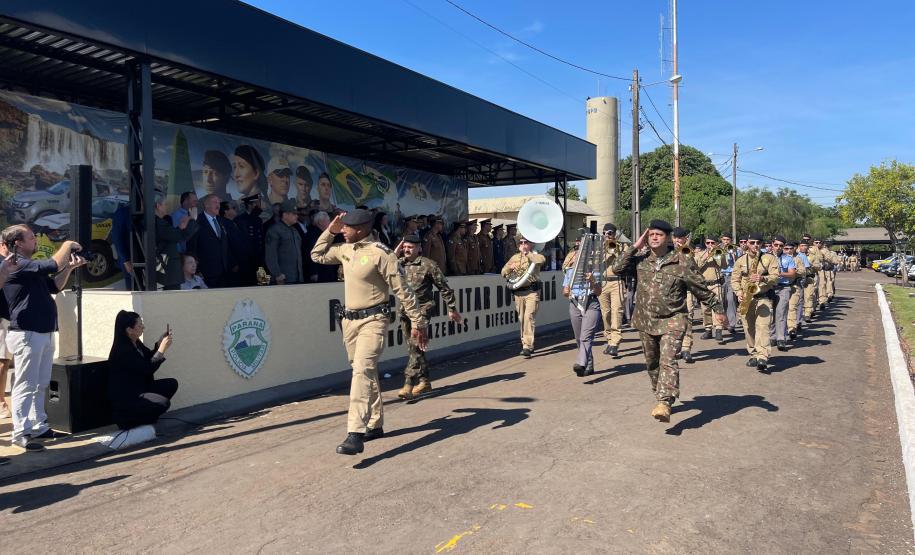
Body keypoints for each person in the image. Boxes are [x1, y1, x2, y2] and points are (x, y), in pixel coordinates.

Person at [311, 209, 428, 456]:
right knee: (363, 370)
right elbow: (317, 255)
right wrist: (330, 230)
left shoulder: (382, 254)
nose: (342, 230)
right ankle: (375, 423)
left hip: (373, 320)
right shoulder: (345, 249)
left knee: (362, 371)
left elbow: (403, 290)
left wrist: (418, 322)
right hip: (349, 322)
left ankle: (355, 432)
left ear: (361, 229)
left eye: (346, 227)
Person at [612, 220, 726, 422]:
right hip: (646, 320)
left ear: (668, 238)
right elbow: (616, 269)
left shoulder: (682, 261)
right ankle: (660, 395)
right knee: (652, 363)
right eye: (651, 234)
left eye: (659, 234)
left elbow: (699, 288)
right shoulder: (640, 260)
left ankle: (665, 401)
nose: (654, 237)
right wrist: (635, 247)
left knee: (668, 360)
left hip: (673, 319)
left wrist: (717, 309)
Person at [1, 225, 85, 451]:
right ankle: (20, 433)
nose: (35, 240)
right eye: (30, 237)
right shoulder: (16, 263)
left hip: (43, 331)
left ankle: (38, 426)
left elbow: (54, 285)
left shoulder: (30, 267)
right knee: (25, 384)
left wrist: (69, 267)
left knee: (40, 383)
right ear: (17, 243)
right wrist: (67, 245)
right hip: (27, 332)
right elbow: (53, 264)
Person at [394, 234, 461, 399]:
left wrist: (451, 308)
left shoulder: (428, 265)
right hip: (405, 311)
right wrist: (397, 249)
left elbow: (444, 287)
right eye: (405, 247)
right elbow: (387, 260)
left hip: (423, 309)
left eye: (410, 247)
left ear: (419, 248)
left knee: (415, 344)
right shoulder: (399, 263)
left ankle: (408, 383)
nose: (406, 250)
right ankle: (424, 381)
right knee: (414, 348)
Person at [107, 311, 178, 430]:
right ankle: (132, 419)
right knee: (163, 403)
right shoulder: (122, 350)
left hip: (141, 388)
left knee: (171, 384)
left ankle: (145, 416)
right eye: (140, 325)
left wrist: (158, 345)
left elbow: (148, 358)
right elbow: (147, 369)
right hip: (129, 397)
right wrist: (161, 350)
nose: (143, 327)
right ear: (129, 330)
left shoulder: (136, 343)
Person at [731, 232, 779, 372]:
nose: (755, 245)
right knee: (749, 329)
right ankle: (753, 353)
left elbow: (775, 277)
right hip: (747, 298)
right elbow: (734, 280)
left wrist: (763, 279)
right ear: (747, 243)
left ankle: (762, 356)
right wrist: (739, 292)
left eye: (758, 243)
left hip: (763, 297)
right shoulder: (740, 261)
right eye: (752, 242)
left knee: (763, 327)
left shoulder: (769, 258)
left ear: (762, 244)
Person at [563, 235, 603, 377]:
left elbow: (598, 291)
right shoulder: (569, 271)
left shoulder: (596, 270)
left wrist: (592, 281)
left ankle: (581, 363)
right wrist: (566, 292)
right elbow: (565, 292)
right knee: (579, 337)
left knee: (586, 336)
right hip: (575, 303)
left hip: (590, 303)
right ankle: (588, 364)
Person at [501, 234, 546, 358]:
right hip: (519, 292)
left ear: (531, 244)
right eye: (521, 243)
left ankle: (527, 346)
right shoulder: (514, 257)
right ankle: (524, 343)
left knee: (529, 317)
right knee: (522, 318)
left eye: (525, 242)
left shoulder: (535, 256)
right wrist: (510, 268)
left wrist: (528, 254)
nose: (523, 245)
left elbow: (541, 261)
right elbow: (503, 272)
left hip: (532, 291)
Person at [155, 193, 198, 290]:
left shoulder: (158, 222)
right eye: (165, 204)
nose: (167, 207)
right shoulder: (158, 223)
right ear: (158, 206)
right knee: (170, 297)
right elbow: (180, 237)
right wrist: (192, 219)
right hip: (166, 268)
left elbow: (170, 236)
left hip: (163, 266)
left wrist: (179, 228)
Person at [189, 194, 233, 288]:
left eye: (218, 203)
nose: (218, 205)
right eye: (214, 202)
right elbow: (192, 247)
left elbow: (226, 245)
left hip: (225, 273)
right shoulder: (197, 222)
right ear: (206, 205)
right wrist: (197, 271)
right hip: (206, 274)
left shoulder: (222, 221)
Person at [598, 223, 625, 357]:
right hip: (603, 283)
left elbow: (625, 259)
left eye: (609, 233)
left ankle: (615, 342)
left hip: (616, 282)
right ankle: (609, 339)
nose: (606, 235)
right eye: (604, 233)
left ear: (614, 234)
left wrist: (615, 249)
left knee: (616, 312)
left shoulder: (621, 246)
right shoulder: (599, 247)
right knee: (605, 313)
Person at [671, 228, 697, 363]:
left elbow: (693, 268)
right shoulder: (667, 251)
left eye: (679, 238)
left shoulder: (689, 251)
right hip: (671, 290)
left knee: (688, 318)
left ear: (684, 239)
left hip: (686, 289)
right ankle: (676, 348)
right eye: (675, 238)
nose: (677, 240)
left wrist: (686, 253)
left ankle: (686, 348)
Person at [265, 199, 303, 285]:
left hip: (297, 277)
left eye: (297, 214)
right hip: (283, 278)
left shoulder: (295, 230)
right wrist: (277, 274)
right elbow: (270, 254)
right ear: (285, 215)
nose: (297, 216)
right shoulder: (274, 230)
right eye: (294, 214)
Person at [769, 235, 797, 352]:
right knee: (770, 313)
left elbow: (792, 274)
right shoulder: (766, 257)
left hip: (783, 288)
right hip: (769, 287)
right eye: (776, 245)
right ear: (772, 245)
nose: (778, 247)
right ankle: (772, 336)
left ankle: (781, 338)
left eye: (781, 246)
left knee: (781, 313)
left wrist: (780, 273)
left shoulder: (788, 258)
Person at [696, 236, 726, 344]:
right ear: (705, 243)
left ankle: (718, 329)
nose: (710, 245)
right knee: (705, 309)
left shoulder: (718, 253)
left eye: (712, 243)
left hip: (716, 283)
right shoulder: (700, 254)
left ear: (717, 243)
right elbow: (695, 267)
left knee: (717, 306)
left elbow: (724, 265)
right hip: (704, 285)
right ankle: (708, 329)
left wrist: (718, 255)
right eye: (708, 243)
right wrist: (706, 257)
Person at [235, 194, 266, 286]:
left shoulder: (258, 219)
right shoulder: (241, 220)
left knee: (263, 283)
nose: (259, 206)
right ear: (250, 205)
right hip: (248, 260)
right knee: (249, 284)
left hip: (260, 259)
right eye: (256, 203)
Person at [303, 211, 340, 283]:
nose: (330, 223)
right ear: (321, 222)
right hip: (320, 271)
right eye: (328, 221)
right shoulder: (312, 235)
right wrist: (314, 272)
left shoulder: (325, 233)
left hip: (328, 268)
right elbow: (310, 254)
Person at [233, 145, 268, 218]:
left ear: (256, 173)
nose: (236, 174)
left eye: (241, 166)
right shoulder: (239, 203)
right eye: (234, 167)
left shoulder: (263, 207)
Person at [785, 241, 809, 340]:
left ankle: (791, 328)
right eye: (786, 248)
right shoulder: (779, 258)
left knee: (792, 307)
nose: (789, 250)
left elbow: (803, 271)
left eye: (791, 248)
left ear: (795, 248)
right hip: (781, 287)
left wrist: (793, 271)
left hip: (794, 286)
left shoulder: (798, 259)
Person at [718, 232, 738, 335]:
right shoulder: (718, 249)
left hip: (731, 276)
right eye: (724, 239)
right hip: (721, 277)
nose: (726, 242)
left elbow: (737, 262)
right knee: (722, 300)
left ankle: (732, 324)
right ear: (721, 239)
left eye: (728, 240)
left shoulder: (734, 249)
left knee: (731, 299)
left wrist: (732, 253)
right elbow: (717, 262)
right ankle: (724, 322)